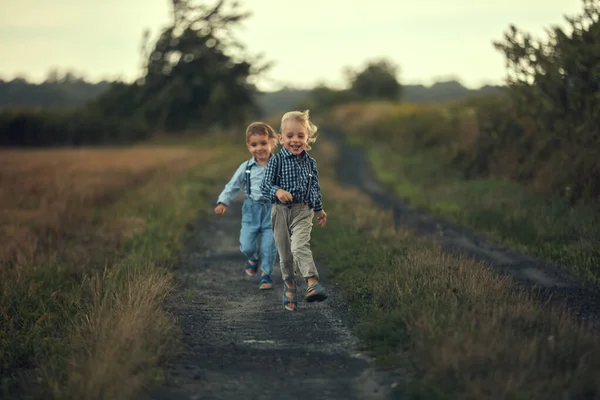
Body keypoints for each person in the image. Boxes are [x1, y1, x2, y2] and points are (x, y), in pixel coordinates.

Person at [260, 110, 328, 311]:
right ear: (281, 138)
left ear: (308, 139)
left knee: (299, 246)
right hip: (280, 212)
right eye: (290, 136)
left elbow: (314, 188)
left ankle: (312, 283)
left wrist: (319, 210)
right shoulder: (276, 161)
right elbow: (265, 186)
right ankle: (289, 285)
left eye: (300, 136)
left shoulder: (311, 163)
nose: (295, 140)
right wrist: (277, 190)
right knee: (286, 256)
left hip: (302, 211)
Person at [214, 122, 278, 290]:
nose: (259, 148)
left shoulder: (280, 165)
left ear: (273, 142)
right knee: (247, 245)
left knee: (269, 246)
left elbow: (290, 185)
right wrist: (223, 202)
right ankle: (253, 258)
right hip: (251, 210)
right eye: (254, 145)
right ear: (248, 146)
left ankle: (266, 275)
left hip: (273, 211)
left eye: (263, 143)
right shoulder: (246, 167)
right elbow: (233, 185)